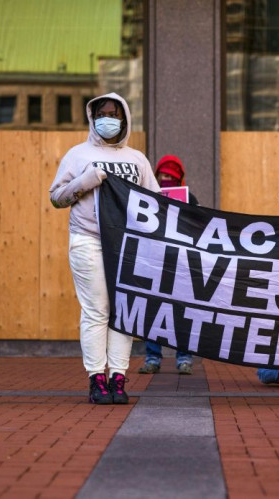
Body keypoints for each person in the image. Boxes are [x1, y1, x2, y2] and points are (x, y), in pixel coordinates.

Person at [49, 93, 159, 405]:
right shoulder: (77, 155)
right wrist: (83, 182)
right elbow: (56, 198)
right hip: (88, 240)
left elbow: (157, 202)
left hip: (128, 245)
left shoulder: (137, 160)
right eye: (101, 113)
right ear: (92, 117)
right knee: (96, 310)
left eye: (113, 113)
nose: (107, 118)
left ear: (124, 119)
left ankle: (119, 378)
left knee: (122, 312)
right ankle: (97, 377)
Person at [138, 155, 198, 375]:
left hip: (180, 264)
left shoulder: (190, 199)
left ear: (180, 178)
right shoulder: (146, 197)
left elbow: (200, 227)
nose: (167, 179)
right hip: (153, 263)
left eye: (172, 176)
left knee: (182, 313)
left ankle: (184, 358)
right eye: (163, 175)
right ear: (156, 175)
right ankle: (152, 358)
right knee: (152, 312)